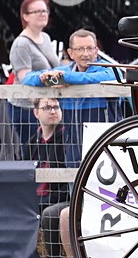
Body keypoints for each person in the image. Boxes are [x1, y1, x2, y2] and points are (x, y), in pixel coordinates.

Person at [21, 27, 123, 166]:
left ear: (96, 51)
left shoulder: (107, 69)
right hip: (73, 153)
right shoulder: (63, 72)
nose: (85, 53)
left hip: (106, 150)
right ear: (70, 53)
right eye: (79, 49)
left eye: (89, 48)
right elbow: (27, 78)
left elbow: (116, 75)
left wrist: (67, 79)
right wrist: (43, 78)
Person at [7, 0, 64, 153]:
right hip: (27, 108)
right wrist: (41, 106)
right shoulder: (21, 44)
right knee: (33, 151)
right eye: (37, 11)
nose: (42, 14)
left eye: (45, 11)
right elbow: (25, 79)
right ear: (25, 16)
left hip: (48, 105)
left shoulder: (45, 38)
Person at [23, 98, 74, 258]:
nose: (53, 111)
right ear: (36, 112)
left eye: (56, 107)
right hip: (35, 199)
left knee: (49, 214)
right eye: (47, 107)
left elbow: (68, 187)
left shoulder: (67, 140)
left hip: (61, 198)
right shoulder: (31, 143)